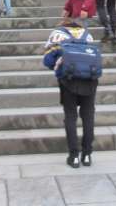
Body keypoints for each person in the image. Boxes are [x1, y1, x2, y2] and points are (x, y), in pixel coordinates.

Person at [42, 19, 97, 168]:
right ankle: (87, 155)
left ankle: (74, 156)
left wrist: (58, 66)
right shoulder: (88, 35)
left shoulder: (57, 34)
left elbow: (47, 60)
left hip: (68, 80)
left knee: (71, 116)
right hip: (90, 81)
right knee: (88, 116)